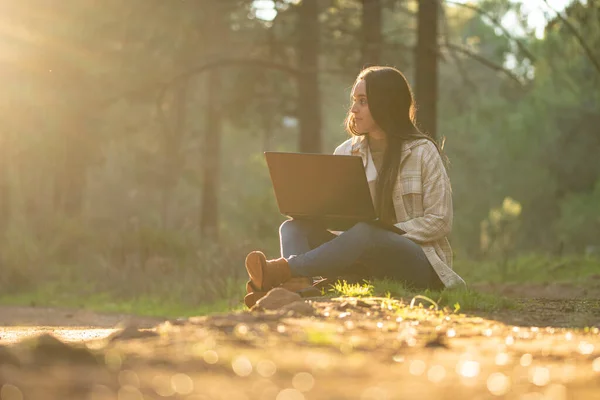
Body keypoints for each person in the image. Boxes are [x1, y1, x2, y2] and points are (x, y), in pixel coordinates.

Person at [244, 66, 466, 307]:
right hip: (362, 260)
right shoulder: (346, 152)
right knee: (293, 228)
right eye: (354, 100)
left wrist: (384, 232)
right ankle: (299, 287)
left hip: (417, 264)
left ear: (385, 104)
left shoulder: (423, 152)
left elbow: (440, 221)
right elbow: (341, 225)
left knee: (365, 232)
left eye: (363, 101)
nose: (353, 109)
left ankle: (283, 271)